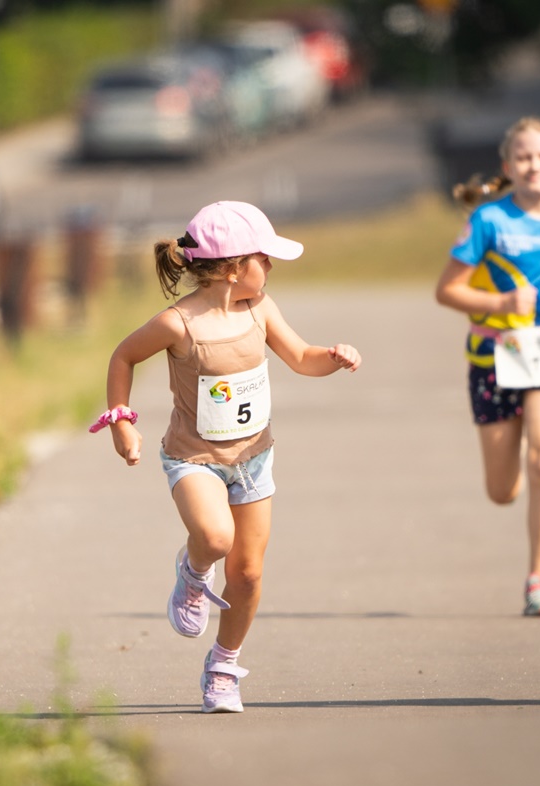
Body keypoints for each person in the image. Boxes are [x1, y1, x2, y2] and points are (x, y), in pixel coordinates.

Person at [92, 200, 361, 713]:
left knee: (248, 573)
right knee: (216, 538)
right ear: (234, 267)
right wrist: (120, 422)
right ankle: (194, 571)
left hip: (254, 461)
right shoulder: (178, 323)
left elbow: (301, 358)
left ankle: (222, 667)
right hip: (194, 459)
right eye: (265, 257)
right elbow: (123, 356)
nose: (272, 266)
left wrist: (333, 357)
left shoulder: (261, 308)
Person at [434, 116, 540, 617]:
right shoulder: (488, 221)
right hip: (493, 359)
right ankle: (521, 450)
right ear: (507, 166)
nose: (535, 165)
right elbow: (447, 290)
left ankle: (538, 582)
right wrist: (501, 303)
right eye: (524, 157)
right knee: (502, 491)